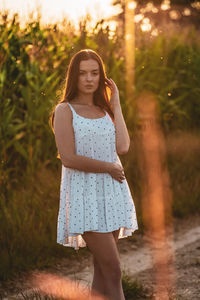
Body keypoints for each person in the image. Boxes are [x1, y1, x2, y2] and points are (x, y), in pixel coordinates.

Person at [50, 49, 138, 300]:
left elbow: (122, 147)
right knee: (113, 267)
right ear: (73, 77)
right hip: (83, 195)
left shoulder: (105, 109)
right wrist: (108, 167)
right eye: (82, 73)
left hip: (111, 193)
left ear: (102, 77)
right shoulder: (65, 110)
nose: (89, 79)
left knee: (102, 268)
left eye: (94, 73)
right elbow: (67, 157)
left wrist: (116, 104)